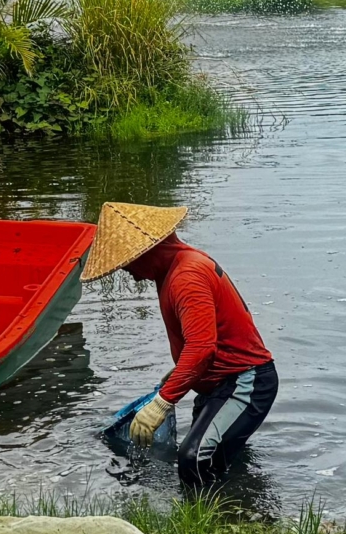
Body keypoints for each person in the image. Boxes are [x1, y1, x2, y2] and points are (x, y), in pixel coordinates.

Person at [82, 202, 276, 488]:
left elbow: (202, 347)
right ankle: (236, 503)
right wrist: (174, 379)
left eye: (127, 261)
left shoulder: (186, 276)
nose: (127, 271)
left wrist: (162, 403)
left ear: (147, 250)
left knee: (194, 459)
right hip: (218, 384)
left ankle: (207, 525)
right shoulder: (176, 267)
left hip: (244, 383)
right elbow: (207, 342)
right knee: (217, 457)